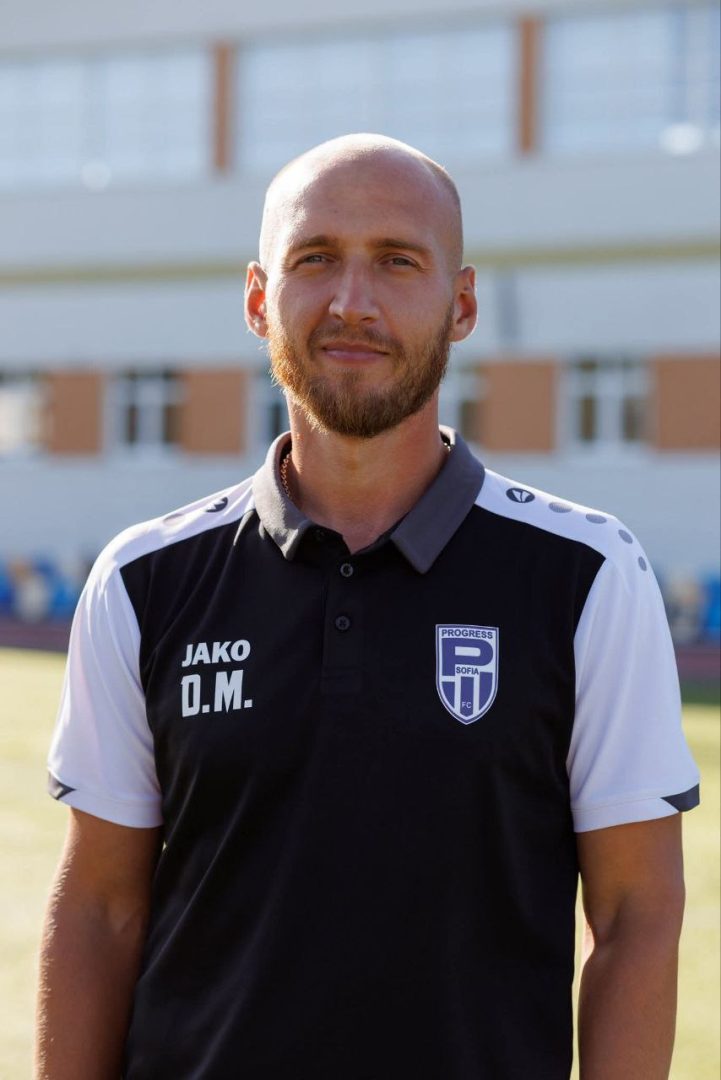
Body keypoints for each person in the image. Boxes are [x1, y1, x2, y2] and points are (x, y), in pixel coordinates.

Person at [37, 134, 700, 1080]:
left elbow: (635, 917)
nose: (353, 301)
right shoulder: (143, 580)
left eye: (397, 261)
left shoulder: (587, 574)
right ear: (258, 299)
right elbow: (100, 910)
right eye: (315, 259)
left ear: (461, 304)